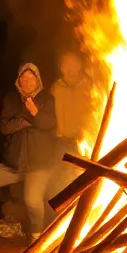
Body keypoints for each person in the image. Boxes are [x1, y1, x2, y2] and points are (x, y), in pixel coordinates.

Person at [0, 63, 59, 240]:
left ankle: (36, 238)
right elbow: (4, 127)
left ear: (38, 80)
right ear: (18, 81)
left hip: (38, 164)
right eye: (23, 79)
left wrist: (34, 115)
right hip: (12, 164)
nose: (27, 82)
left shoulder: (46, 98)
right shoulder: (11, 99)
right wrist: (28, 117)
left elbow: (49, 123)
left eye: (31, 78)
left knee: (32, 201)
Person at [49, 50, 97, 193]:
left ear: (80, 65)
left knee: (83, 178)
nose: (70, 67)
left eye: (74, 63)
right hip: (61, 141)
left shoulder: (88, 87)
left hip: (83, 141)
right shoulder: (56, 87)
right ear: (61, 67)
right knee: (61, 181)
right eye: (66, 64)